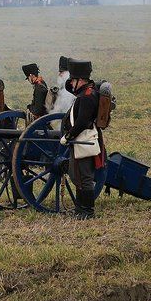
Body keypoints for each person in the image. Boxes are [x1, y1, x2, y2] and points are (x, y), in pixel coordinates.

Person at [59, 59, 105, 219]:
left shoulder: (87, 96)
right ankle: (80, 209)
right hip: (81, 140)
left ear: (81, 80)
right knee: (77, 175)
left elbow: (82, 121)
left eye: (73, 80)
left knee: (84, 177)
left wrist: (69, 135)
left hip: (83, 139)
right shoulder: (86, 92)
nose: (71, 83)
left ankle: (87, 211)